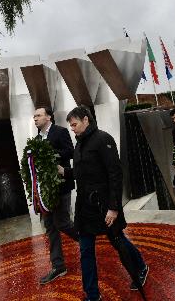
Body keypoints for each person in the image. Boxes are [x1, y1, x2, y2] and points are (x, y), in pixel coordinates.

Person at [59, 106, 148, 301]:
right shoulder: (79, 144)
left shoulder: (103, 139)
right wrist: (65, 172)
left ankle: (141, 266)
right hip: (84, 207)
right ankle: (92, 295)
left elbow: (115, 174)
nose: (72, 129)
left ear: (85, 120)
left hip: (104, 206)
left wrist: (114, 208)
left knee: (119, 242)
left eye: (74, 124)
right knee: (85, 251)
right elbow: (81, 172)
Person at [33, 107, 79, 285]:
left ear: (48, 117)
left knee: (63, 223)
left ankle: (84, 240)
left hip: (61, 186)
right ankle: (58, 266)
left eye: (38, 115)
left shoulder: (60, 131)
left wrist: (49, 156)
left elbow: (70, 151)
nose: (35, 119)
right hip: (46, 190)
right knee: (50, 226)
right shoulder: (37, 138)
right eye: (34, 117)